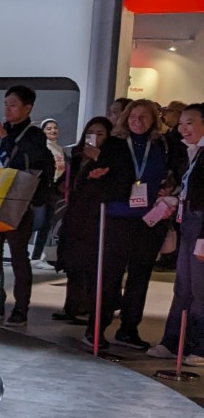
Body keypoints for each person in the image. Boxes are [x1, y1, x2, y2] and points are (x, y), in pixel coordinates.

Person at [94, 99, 176, 349]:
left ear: (154, 120)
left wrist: (169, 186)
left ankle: (129, 329)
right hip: (119, 215)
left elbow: (171, 173)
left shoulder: (161, 145)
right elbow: (99, 174)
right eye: (133, 116)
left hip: (150, 219)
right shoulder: (115, 144)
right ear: (125, 118)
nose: (138, 121)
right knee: (110, 276)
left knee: (140, 277)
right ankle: (96, 328)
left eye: (144, 116)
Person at [0, 84, 53, 326]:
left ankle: (21, 307)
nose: (7, 110)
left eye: (13, 105)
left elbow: (24, 161)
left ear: (28, 107)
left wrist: (4, 137)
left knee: (19, 257)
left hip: (19, 203)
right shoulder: (0, 130)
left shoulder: (34, 134)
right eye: (5, 104)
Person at [53, 117, 133, 324]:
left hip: (96, 215)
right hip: (76, 214)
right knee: (73, 261)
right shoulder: (78, 156)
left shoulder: (113, 155)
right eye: (91, 133)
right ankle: (71, 306)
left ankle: (87, 307)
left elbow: (117, 181)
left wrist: (100, 159)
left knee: (90, 264)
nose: (95, 138)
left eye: (100, 134)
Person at [149, 104, 204, 365]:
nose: (183, 128)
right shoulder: (191, 153)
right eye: (181, 122)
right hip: (189, 224)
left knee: (200, 289)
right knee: (182, 286)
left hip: (201, 227)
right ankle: (172, 342)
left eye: (190, 122)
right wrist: (173, 199)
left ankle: (200, 347)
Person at [30, 118, 68, 266]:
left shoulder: (59, 148)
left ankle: (45, 254)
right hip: (47, 190)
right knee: (43, 222)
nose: (53, 131)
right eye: (48, 128)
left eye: (55, 127)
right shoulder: (44, 148)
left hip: (57, 190)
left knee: (51, 223)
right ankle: (37, 255)